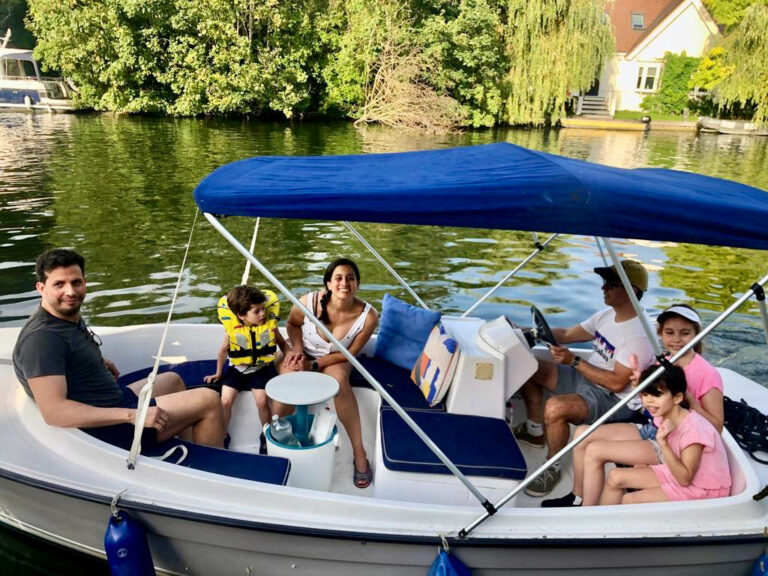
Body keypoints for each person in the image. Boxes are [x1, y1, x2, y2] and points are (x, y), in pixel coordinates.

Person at [13, 249, 225, 448]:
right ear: (41, 288)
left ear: (84, 282)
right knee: (208, 399)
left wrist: (96, 361)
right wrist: (133, 415)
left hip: (113, 399)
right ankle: (212, 473)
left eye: (76, 282)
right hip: (110, 429)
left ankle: (189, 448)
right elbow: (54, 412)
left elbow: (68, 351)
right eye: (59, 284)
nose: (70, 291)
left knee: (174, 380)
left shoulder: (63, 315)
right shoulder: (42, 340)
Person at [543, 304, 724, 507]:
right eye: (669, 333)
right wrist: (641, 387)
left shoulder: (707, 374)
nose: (676, 339)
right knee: (582, 434)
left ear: (696, 334)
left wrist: (689, 401)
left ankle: (588, 511)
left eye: (685, 333)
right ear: (660, 334)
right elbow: (651, 407)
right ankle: (578, 497)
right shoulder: (662, 362)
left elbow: (716, 428)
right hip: (653, 427)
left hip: (675, 441)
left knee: (595, 451)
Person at [516, 259, 656, 496]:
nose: (603, 288)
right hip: (586, 377)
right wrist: (525, 331)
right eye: (605, 282)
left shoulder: (638, 335)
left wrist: (573, 361)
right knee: (527, 366)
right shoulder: (606, 315)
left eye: (610, 284)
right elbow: (569, 334)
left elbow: (616, 382)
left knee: (555, 408)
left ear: (631, 291)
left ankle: (553, 466)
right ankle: (534, 432)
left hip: (613, 399)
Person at [283, 258, 378, 488]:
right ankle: (276, 442)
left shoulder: (369, 316)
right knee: (286, 383)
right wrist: (297, 351)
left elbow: (349, 354)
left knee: (339, 382)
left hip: (337, 357)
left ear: (357, 283)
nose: (344, 283)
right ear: (328, 283)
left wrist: (315, 366)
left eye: (350, 278)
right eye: (338, 278)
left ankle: (359, 454)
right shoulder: (309, 301)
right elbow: (291, 324)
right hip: (303, 350)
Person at [597, 365, 731, 505]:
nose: (649, 401)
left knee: (629, 500)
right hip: (680, 473)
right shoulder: (664, 415)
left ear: (677, 398)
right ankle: (596, 524)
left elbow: (685, 479)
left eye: (657, 395)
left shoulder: (694, 430)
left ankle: (612, 526)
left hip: (705, 489)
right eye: (645, 394)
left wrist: (663, 443)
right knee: (615, 477)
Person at [204, 285, 290, 453]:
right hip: (236, 369)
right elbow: (222, 351)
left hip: (260, 369)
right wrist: (218, 372)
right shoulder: (233, 330)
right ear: (241, 315)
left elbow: (282, 344)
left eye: (263, 309)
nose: (263, 314)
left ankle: (267, 435)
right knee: (225, 401)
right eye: (256, 311)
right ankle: (221, 435)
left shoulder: (269, 326)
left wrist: (289, 357)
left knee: (262, 401)